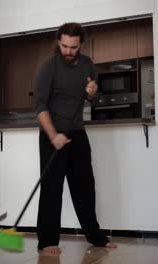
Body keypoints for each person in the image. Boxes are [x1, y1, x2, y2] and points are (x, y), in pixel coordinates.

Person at [33, 22, 117, 255]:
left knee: (85, 187)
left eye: (73, 47)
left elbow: (92, 98)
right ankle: (47, 240)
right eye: (64, 46)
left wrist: (92, 93)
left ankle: (95, 236)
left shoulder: (88, 64)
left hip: (77, 133)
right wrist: (53, 136)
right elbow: (39, 106)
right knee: (52, 189)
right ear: (58, 42)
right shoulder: (48, 67)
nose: (68, 51)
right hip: (52, 135)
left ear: (81, 44)